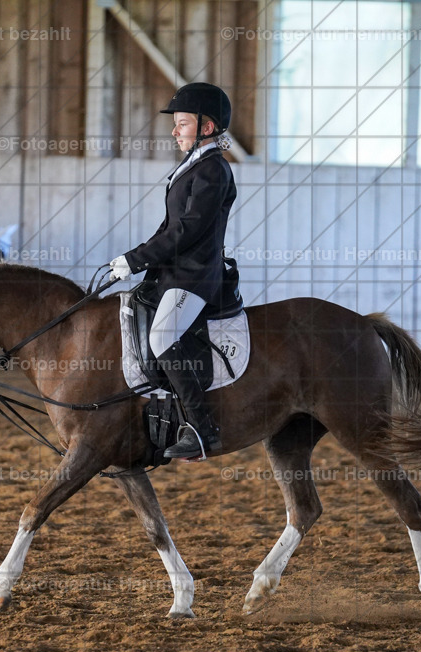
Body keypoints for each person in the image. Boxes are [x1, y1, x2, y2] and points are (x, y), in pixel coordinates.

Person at [109, 83, 237, 460]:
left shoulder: (214, 170)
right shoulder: (192, 165)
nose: (174, 131)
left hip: (196, 276)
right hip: (173, 273)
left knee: (163, 336)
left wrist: (136, 260)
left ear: (207, 128)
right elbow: (168, 229)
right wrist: (135, 258)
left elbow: (188, 231)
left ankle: (201, 429)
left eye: (181, 124)